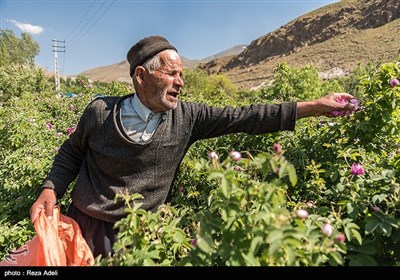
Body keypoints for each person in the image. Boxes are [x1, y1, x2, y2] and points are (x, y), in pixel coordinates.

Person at [30, 35, 356, 258]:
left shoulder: (189, 117)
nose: (181, 82)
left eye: (182, 75)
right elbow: (73, 151)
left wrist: (315, 105)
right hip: (85, 224)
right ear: (141, 76)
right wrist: (50, 188)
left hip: (143, 232)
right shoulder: (100, 112)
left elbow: (247, 116)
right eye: (172, 74)